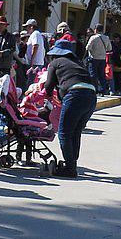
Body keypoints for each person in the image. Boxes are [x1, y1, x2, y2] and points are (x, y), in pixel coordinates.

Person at [44, 37, 97, 179]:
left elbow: (48, 85)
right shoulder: (77, 63)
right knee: (75, 132)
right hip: (91, 95)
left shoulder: (55, 63)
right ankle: (71, 163)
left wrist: (48, 97)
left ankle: (70, 168)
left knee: (64, 133)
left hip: (75, 94)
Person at [84, 25, 112, 93]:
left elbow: (88, 48)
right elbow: (109, 48)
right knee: (102, 75)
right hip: (102, 59)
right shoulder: (106, 38)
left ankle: (95, 89)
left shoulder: (93, 37)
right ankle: (103, 90)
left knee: (93, 75)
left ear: (96, 29)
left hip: (93, 58)